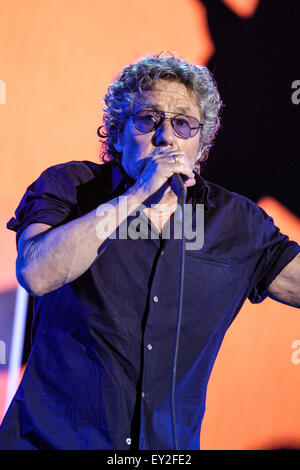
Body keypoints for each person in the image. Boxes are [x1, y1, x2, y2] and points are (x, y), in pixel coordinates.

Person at [0, 54, 299, 450]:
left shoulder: (235, 222)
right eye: (148, 119)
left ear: (200, 145)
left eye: (183, 123)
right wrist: (138, 193)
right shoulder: (71, 187)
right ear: (118, 134)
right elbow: (37, 274)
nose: (166, 136)